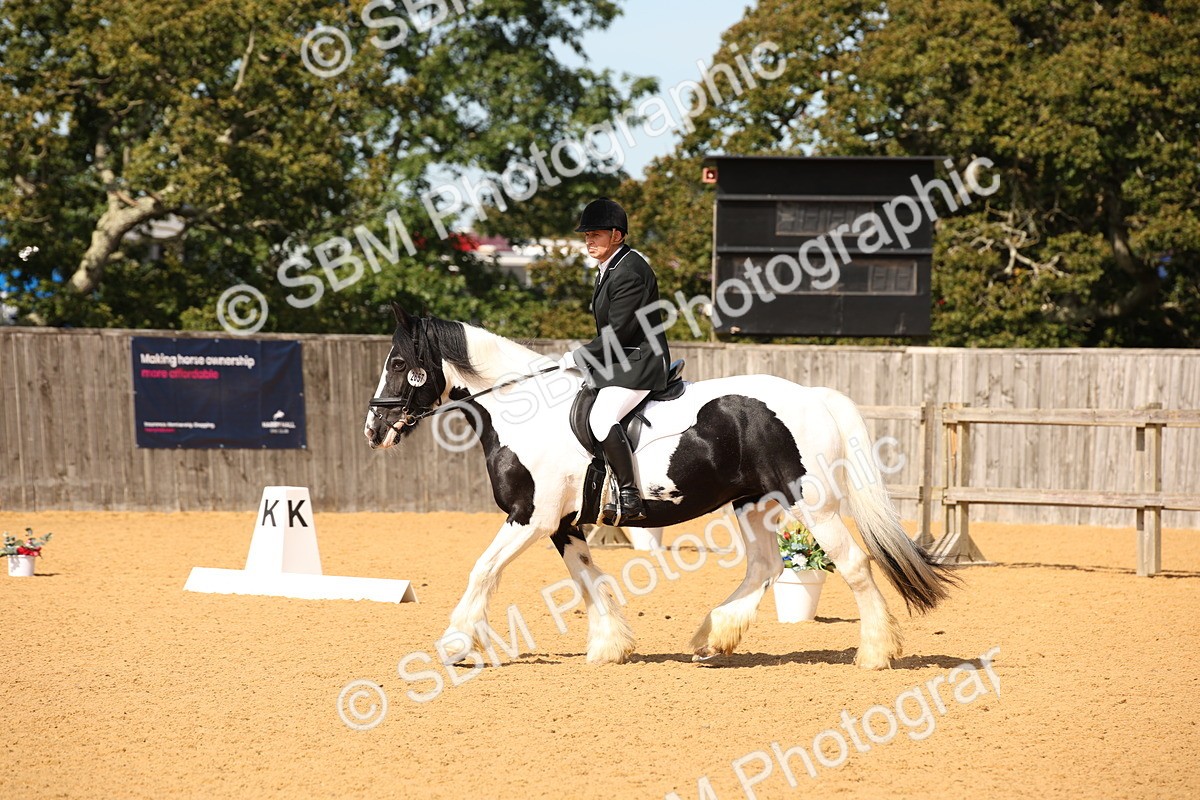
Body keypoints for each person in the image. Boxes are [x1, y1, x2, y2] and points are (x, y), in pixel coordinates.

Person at [559, 198, 671, 524]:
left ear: (617, 235)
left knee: (602, 417)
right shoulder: (610, 268)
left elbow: (620, 332)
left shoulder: (630, 271)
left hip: (641, 362)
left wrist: (578, 356)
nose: (588, 240)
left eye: (595, 234)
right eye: (586, 235)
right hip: (621, 361)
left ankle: (629, 495)